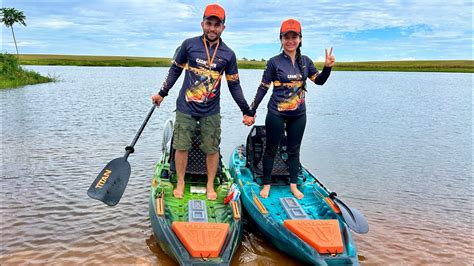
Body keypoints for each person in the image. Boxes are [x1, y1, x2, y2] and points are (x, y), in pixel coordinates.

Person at [152, 4, 255, 200]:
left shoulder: (228, 54)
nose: (212, 28)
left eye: (217, 25)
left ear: (223, 27)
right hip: (185, 107)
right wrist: (162, 93)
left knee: (212, 148)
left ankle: (210, 185)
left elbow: (234, 85)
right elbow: (175, 70)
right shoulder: (189, 45)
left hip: (211, 110)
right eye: (209, 23)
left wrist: (246, 110)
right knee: (181, 146)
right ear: (202, 24)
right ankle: (180, 182)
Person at [243, 18, 335, 199]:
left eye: (294, 37)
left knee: (294, 150)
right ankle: (266, 184)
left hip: (298, 115)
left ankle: (293, 185)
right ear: (281, 39)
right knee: (271, 148)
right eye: (287, 37)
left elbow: (320, 81)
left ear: (300, 39)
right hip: (276, 113)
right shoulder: (273, 62)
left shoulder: (306, 62)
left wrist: (327, 68)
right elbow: (263, 88)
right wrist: (251, 111)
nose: (290, 41)